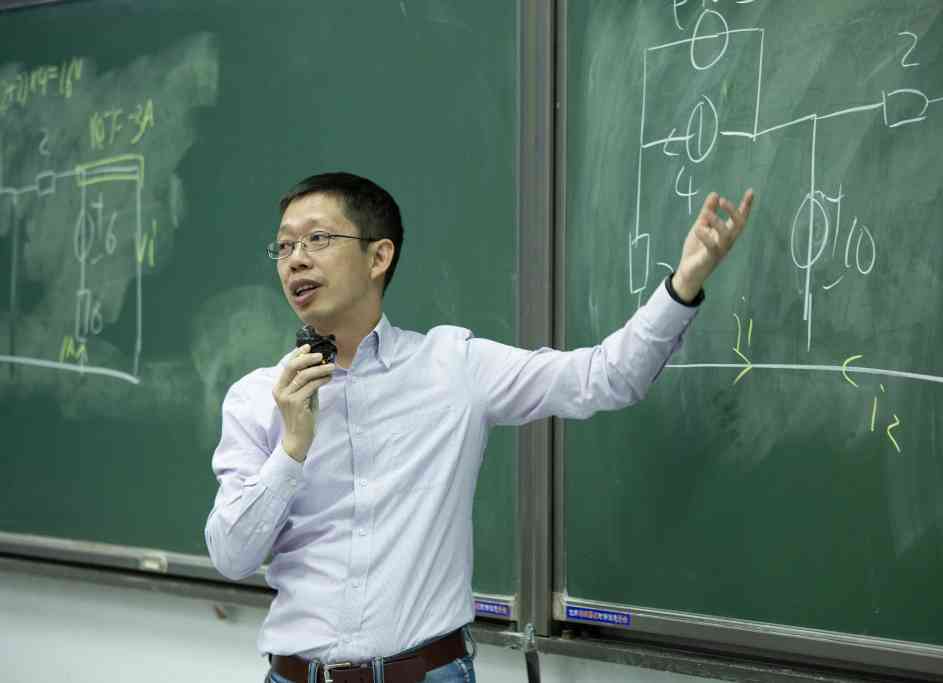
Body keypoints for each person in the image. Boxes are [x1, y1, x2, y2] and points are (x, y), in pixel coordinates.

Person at [205, 172, 755, 683]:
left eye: (318, 239)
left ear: (379, 256)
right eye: (284, 246)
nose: (296, 260)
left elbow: (607, 376)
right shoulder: (257, 397)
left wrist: (684, 283)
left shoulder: (452, 367)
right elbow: (231, 557)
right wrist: (292, 448)